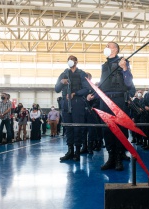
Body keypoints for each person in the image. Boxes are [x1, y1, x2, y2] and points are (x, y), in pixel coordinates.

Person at [87, 42, 134, 171]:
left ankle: (119, 158)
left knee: (119, 130)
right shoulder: (104, 66)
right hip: (105, 101)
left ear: (116, 49)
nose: (106, 48)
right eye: (106, 46)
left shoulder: (123, 62)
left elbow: (129, 83)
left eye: (109, 46)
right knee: (107, 130)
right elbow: (103, 84)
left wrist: (124, 68)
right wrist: (94, 95)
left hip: (118, 100)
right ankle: (111, 157)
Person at [55, 55, 89, 162]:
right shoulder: (64, 74)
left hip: (77, 103)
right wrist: (61, 82)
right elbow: (56, 89)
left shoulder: (81, 74)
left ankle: (77, 152)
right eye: (68, 60)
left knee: (77, 127)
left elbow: (87, 89)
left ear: (76, 62)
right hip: (65, 104)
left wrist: (75, 93)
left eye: (72, 60)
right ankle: (70, 151)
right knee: (68, 128)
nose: (70, 62)